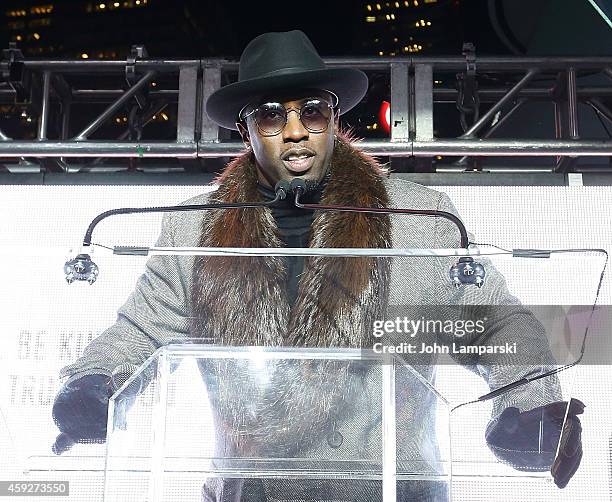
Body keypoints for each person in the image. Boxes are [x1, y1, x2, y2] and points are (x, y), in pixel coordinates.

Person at [52, 30, 584, 501]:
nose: (295, 131)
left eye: (311, 111)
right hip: (253, 492)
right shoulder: (192, 229)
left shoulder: (417, 219)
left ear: (333, 118)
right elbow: (141, 331)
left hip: (392, 491)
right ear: (245, 131)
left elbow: (495, 323)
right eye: (270, 116)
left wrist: (530, 401)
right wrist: (96, 382)